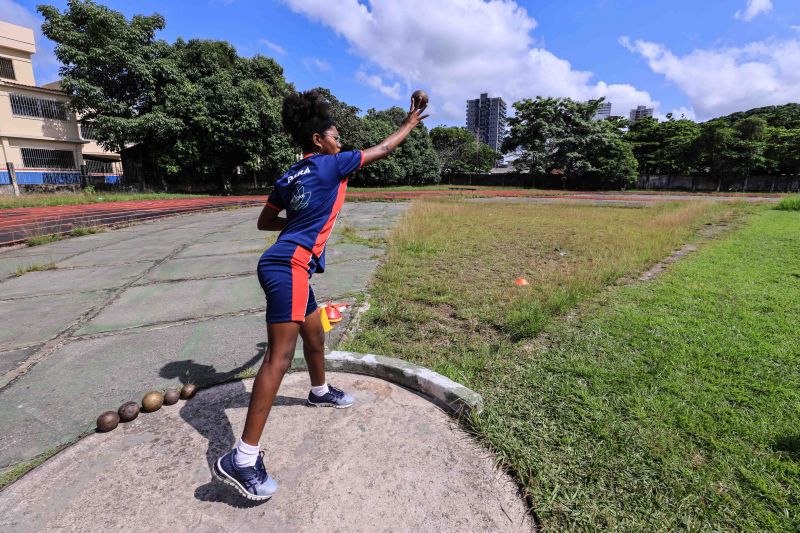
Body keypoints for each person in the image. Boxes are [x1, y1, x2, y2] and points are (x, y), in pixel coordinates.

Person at [213, 89, 429, 500]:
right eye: (335, 135)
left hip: (282, 260)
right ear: (318, 140)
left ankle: (318, 391)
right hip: (289, 265)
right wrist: (411, 122)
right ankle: (242, 458)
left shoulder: (290, 175)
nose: (341, 141)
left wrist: (296, 221)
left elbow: (264, 221)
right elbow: (384, 148)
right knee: (278, 357)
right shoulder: (333, 165)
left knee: (314, 335)